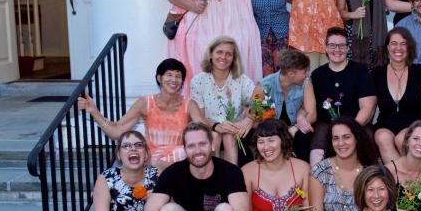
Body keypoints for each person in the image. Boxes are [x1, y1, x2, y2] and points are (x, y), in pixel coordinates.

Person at [77, 58, 206, 170]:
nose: (174, 79)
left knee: (185, 152)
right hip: (152, 156)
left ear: (182, 81)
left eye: (178, 76)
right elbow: (116, 132)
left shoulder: (189, 104)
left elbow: (204, 131)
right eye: (169, 75)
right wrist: (94, 111)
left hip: (180, 155)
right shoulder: (145, 103)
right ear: (159, 78)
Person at [372, 27, 421, 162]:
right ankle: (400, 180)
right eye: (394, 43)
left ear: (409, 47)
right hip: (385, 124)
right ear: (387, 47)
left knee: (402, 138)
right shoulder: (377, 74)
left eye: (403, 44)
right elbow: (369, 105)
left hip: (413, 123)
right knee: (382, 137)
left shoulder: (420, 72)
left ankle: (412, 178)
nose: (398, 48)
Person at [307, 27, 377, 164]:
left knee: (367, 143)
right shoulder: (317, 75)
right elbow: (308, 106)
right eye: (332, 45)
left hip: (357, 123)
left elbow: (368, 107)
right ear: (326, 48)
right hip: (326, 124)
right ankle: (317, 180)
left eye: (341, 45)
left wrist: (350, 129)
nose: (337, 49)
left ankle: (367, 180)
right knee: (317, 149)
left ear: (347, 48)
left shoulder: (360, 72)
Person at [189, 37, 256, 165]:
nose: (223, 57)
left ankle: (231, 177)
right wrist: (217, 126)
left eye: (228, 54)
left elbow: (259, 101)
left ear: (233, 58)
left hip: (236, 130)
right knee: (218, 135)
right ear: (211, 55)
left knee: (228, 135)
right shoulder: (198, 80)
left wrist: (249, 118)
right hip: (209, 128)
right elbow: (200, 117)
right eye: (219, 52)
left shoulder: (241, 80)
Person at [258, 48, 316, 161]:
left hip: (295, 127)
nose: (307, 74)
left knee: (304, 134)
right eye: (304, 71)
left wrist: (295, 128)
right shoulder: (264, 85)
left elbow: (312, 114)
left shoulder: (306, 83)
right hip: (272, 129)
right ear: (291, 74)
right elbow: (256, 115)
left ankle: (301, 171)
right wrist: (280, 134)